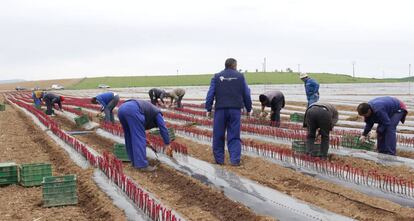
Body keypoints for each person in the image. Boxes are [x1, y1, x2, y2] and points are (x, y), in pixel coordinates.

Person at [205, 58, 252, 166]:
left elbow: (210, 93)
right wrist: (248, 108)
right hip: (235, 110)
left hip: (220, 110)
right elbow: (246, 94)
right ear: (234, 65)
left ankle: (219, 160)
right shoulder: (240, 77)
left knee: (218, 135)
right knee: (234, 135)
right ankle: (235, 160)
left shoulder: (217, 77)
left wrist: (208, 107)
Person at [118, 99, 173, 171]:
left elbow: (139, 131)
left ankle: (134, 161)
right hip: (133, 110)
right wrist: (167, 144)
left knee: (129, 136)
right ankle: (142, 165)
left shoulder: (150, 112)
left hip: (121, 109)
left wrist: (145, 140)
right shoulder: (158, 114)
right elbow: (163, 128)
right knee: (138, 138)